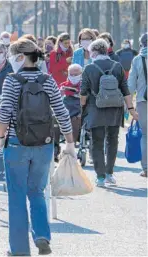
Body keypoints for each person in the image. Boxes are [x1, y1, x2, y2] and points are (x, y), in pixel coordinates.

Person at [0, 38, 73, 256]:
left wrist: (0, 136)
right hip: (44, 144)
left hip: (16, 143)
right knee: (37, 192)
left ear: (20, 57)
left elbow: (4, 112)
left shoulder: (12, 80)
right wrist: (69, 141)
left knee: (17, 195)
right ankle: (42, 236)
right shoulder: (48, 80)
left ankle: (19, 249)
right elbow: (61, 112)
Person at [80, 39, 138, 187]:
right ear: (106, 50)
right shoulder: (117, 66)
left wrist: (82, 109)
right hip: (115, 109)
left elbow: (83, 93)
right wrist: (131, 109)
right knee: (112, 141)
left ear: (93, 52)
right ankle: (109, 174)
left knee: (97, 142)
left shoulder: (89, 68)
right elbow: (125, 90)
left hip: (95, 109)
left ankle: (99, 177)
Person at [54, 64, 84, 161]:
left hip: (78, 111)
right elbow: (55, 100)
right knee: (55, 120)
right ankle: (55, 146)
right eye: (71, 74)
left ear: (81, 74)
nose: (73, 77)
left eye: (76, 74)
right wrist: (61, 93)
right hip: (64, 111)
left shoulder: (85, 85)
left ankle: (72, 146)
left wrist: (81, 95)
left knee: (75, 120)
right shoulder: (64, 85)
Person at [128, 33, 148, 177]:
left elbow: (130, 84)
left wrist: (128, 105)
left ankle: (146, 168)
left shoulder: (137, 59)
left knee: (145, 135)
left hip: (143, 101)